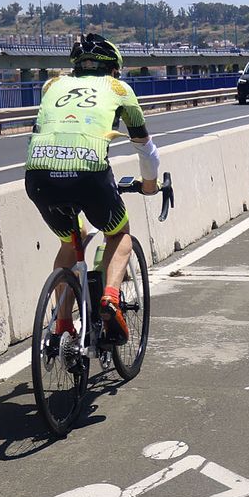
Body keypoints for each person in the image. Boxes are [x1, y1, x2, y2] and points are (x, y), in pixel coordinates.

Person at [25, 33, 160, 344]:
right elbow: (145, 147)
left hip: (39, 174)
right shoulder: (120, 89)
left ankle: (62, 325)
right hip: (88, 173)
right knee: (119, 233)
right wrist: (150, 186)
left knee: (72, 241)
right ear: (113, 69)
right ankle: (111, 299)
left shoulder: (53, 85)